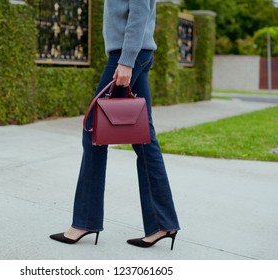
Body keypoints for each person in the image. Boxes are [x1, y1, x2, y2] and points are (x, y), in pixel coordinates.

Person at [50, 0, 180, 249]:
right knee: (144, 137)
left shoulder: (128, 57)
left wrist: (126, 60)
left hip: (128, 55)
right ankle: (163, 224)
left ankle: (85, 221)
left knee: (93, 129)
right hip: (132, 53)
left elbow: (139, 10)